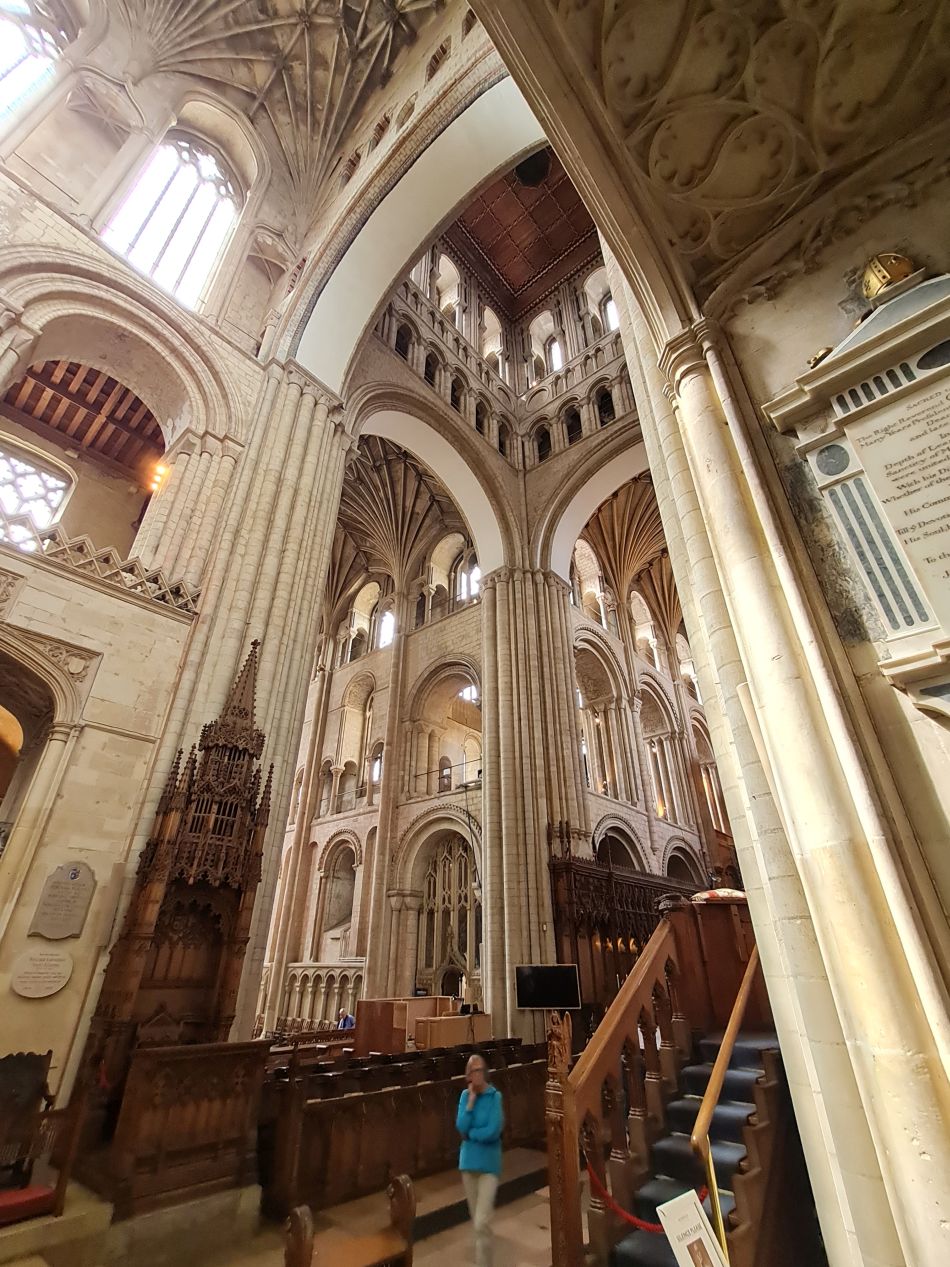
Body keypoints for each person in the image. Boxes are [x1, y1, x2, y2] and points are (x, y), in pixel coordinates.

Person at [455, 1052, 504, 1267]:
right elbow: (461, 1126)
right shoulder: (466, 1097)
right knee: (477, 1221)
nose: (475, 1075)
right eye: (471, 1071)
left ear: (484, 1072)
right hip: (468, 1162)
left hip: (489, 1164)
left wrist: (472, 1135)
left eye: (478, 1070)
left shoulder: (495, 1097)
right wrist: (470, 1103)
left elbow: (493, 1130)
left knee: (481, 1221)